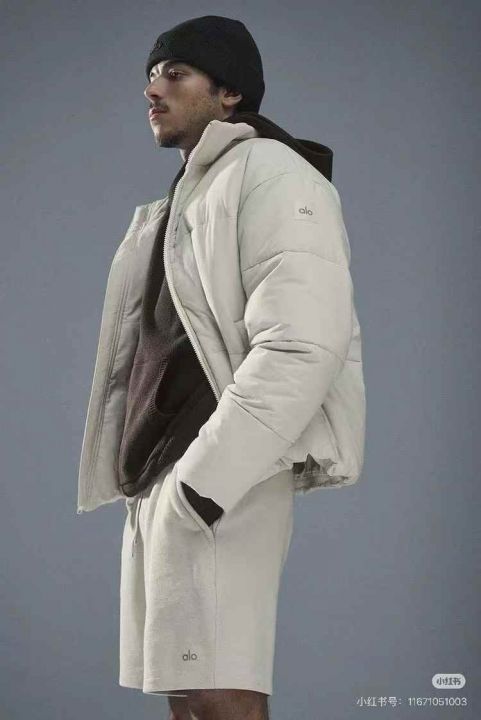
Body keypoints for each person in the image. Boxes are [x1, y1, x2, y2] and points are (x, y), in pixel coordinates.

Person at [76, 14, 366, 720]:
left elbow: (302, 343)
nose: (153, 89)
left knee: (221, 692)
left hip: (215, 475)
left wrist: (204, 486)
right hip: (162, 474)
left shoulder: (273, 174)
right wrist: (161, 488)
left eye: (175, 73)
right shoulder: (182, 200)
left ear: (230, 92)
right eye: (150, 75)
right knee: (188, 695)